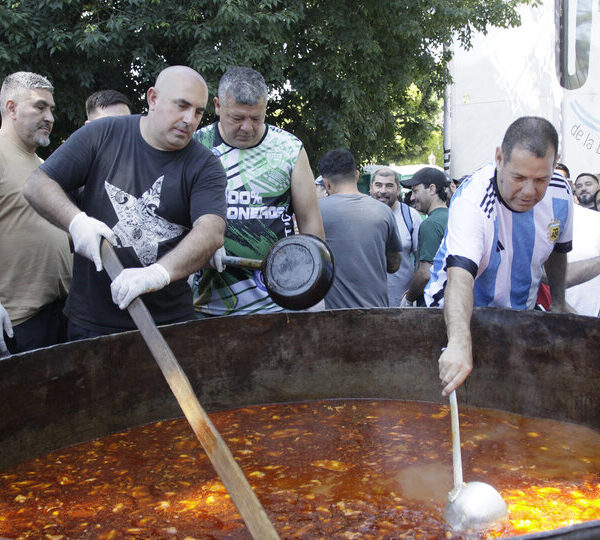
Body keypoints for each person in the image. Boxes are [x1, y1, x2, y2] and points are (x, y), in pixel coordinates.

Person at [23, 66, 227, 339]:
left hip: (169, 324)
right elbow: (38, 184)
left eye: (199, 112)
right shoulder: (102, 135)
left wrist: (158, 273)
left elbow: (211, 230)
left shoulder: (205, 165)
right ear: (153, 98)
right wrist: (76, 222)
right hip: (92, 323)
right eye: (182, 105)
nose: (189, 119)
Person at [425, 116, 574, 396]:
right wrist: (458, 342)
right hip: (455, 313)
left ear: (556, 164)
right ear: (499, 157)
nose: (529, 192)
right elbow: (459, 278)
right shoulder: (473, 201)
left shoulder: (561, 192)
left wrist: (560, 302)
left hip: (518, 312)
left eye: (541, 179)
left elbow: (557, 250)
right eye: (518, 178)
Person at [192, 66, 324, 316]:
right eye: (237, 118)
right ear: (218, 106)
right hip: (211, 303)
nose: (247, 127)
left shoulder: (288, 148)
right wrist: (198, 244)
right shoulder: (197, 147)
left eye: (256, 118)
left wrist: (312, 284)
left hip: (277, 301)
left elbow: (311, 226)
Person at [0, 71, 72, 354]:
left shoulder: (43, 165)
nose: (50, 117)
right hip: (18, 324)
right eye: (40, 106)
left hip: (60, 314)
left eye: (51, 109)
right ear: (11, 108)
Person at [318, 149, 402, 309]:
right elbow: (394, 265)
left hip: (334, 317)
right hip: (378, 313)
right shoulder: (383, 211)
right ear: (356, 175)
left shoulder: (316, 211)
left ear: (326, 182)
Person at [369, 166, 420, 306]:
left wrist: (412, 294)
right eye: (378, 185)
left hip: (400, 303)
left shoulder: (411, 216)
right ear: (371, 187)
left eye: (389, 186)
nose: (383, 191)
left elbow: (421, 261)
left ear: (398, 189)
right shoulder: (360, 214)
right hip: (366, 301)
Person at [400, 167, 449, 306]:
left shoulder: (430, 224)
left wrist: (408, 299)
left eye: (416, 191)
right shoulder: (454, 216)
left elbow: (426, 273)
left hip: (432, 309)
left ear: (432, 189)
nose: (412, 197)